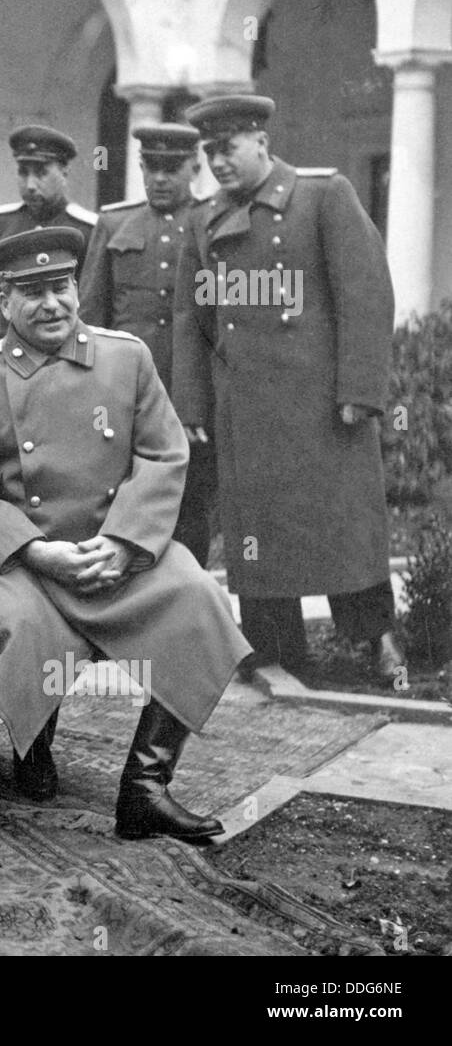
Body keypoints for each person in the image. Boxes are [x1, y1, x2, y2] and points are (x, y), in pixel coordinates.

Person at [0, 228, 250, 843]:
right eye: (31, 293)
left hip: (119, 555)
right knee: (13, 628)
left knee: (198, 598)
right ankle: (34, 744)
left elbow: (164, 454)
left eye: (61, 287)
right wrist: (34, 550)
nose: (51, 304)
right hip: (26, 561)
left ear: (77, 288)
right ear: (3, 303)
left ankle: (145, 789)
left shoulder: (126, 358)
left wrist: (126, 541)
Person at [174, 94, 404, 681]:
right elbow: (193, 321)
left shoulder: (323, 196)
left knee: (346, 524)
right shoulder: (203, 220)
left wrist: (361, 388)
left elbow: (365, 292)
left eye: (228, 149)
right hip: (246, 407)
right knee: (258, 532)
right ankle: (274, 649)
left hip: (324, 405)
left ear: (260, 142)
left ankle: (378, 643)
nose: (218, 163)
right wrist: (193, 404)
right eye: (209, 153)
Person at [79, 123, 216, 565]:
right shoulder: (115, 222)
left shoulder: (214, 223)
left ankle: (186, 592)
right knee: (120, 498)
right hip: (124, 392)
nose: (159, 178)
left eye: (171, 168)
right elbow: (90, 315)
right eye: (151, 167)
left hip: (190, 395)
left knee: (189, 504)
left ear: (194, 167)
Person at [0, 125, 97, 322]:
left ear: (64, 171)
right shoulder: (2, 223)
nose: (30, 185)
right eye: (23, 172)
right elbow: (0, 293)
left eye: (41, 173)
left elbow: (90, 302)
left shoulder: (88, 229)